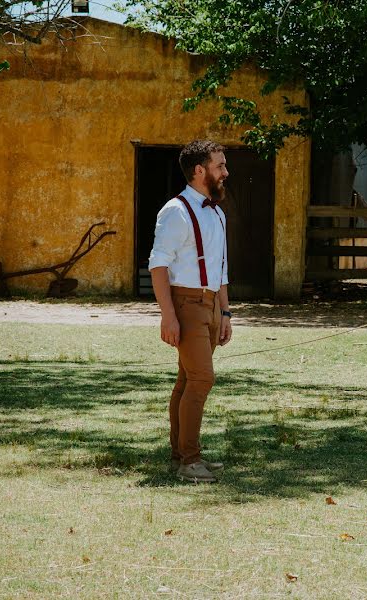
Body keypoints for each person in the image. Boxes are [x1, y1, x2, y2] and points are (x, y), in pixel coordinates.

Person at [148, 140, 233, 483]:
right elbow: (158, 265)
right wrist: (167, 315)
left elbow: (221, 270)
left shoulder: (217, 212)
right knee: (201, 378)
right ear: (200, 171)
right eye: (219, 166)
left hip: (211, 305)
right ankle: (190, 461)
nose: (226, 173)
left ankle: (180, 454)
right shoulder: (176, 210)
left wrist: (225, 313)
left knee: (187, 379)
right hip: (185, 304)